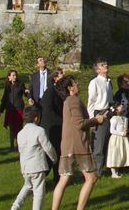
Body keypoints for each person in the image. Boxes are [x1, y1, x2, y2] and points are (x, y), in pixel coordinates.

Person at [51, 75, 106, 210]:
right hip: (77, 145)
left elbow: (76, 123)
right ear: (70, 88)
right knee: (91, 178)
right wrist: (96, 120)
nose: (77, 84)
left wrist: (92, 123)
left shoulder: (68, 101)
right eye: (75, 83)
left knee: (64, 179)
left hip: (68, 144)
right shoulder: (73, 100)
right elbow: (79, 123)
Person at [11, 106, 58, 210]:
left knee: (27, 186)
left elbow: (20, 150)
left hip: (25, 168)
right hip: (37, 167)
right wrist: (54, 159)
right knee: (38, 193)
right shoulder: (39, 131)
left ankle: (15, 206)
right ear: (36, 118)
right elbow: (48, 147)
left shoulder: (20, 133)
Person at [87, 58, 113, 177]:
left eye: (106, 63)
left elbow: (110, 99)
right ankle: (96, 171)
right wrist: (92, 119)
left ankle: (105, 167)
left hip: (108, 112)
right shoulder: (95, 82)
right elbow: (91, 102)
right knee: (99, 144)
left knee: (107, 141)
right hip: (99, 113)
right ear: (97, 70)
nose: (106, 65)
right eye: (102, 65)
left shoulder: (108, 81)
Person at [39, 67, 64, 183]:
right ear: (55, 78)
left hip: (58, 128)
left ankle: (57, 176)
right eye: (60, 74)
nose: (63, 76)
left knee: (58, 152)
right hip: (51, 128)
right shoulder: (49, 92)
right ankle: (38, 179)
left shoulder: (60, 91)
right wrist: (62, 121)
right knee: (50, 155)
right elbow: (48, 111)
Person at [0, 69, 28, 151]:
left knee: (18, 128)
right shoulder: (7, 86)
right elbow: (4, 98)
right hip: (10, 109)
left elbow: (25, 93)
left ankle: (18, 145)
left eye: (15, 75)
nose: (15, 77)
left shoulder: (20, 84)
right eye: (13, 75)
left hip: (19, 109)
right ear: (9, 77)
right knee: (11, 128)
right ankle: (11, 146)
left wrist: (27, 92)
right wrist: (1, 110)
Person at [106, 103, 129, 178]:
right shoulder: (114, 119)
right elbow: (112, 130)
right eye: (119, 106)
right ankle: (113, 172)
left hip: (123, 139)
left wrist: (126, 132)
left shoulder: (124, 118)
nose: (121, 106)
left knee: (121, 153)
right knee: (115, 154)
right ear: (116, 110)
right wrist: (121, 133)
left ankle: (117, 170)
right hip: (116, 139)